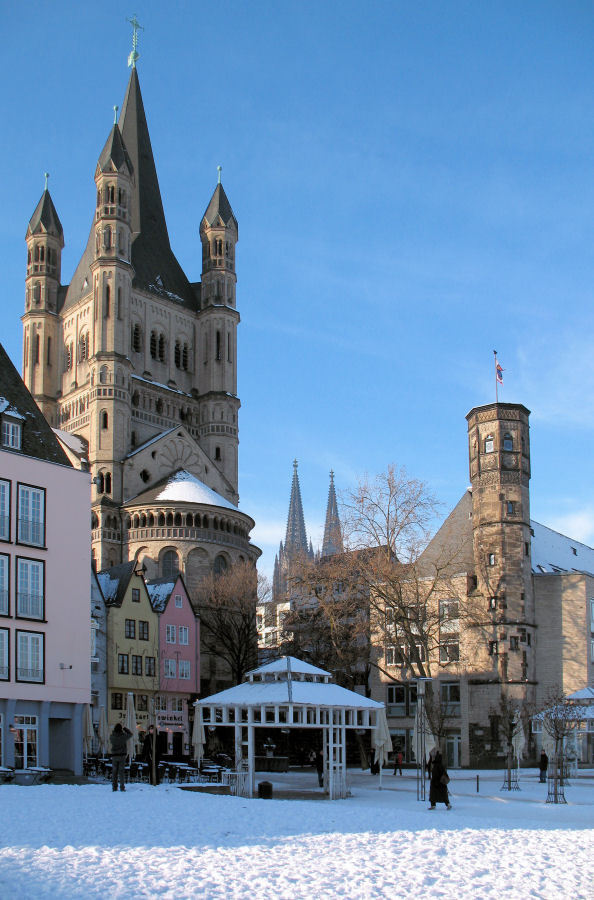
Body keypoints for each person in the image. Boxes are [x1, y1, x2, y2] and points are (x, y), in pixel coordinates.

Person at [110, 723, 132, 792]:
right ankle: (122, 787)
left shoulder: (112, 737)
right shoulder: (123, 736)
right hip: (122, 755)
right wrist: (125, 728)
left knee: (114, 772)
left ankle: (114, 787)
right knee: (121, 772)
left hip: (114, 756)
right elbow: (130, 734)